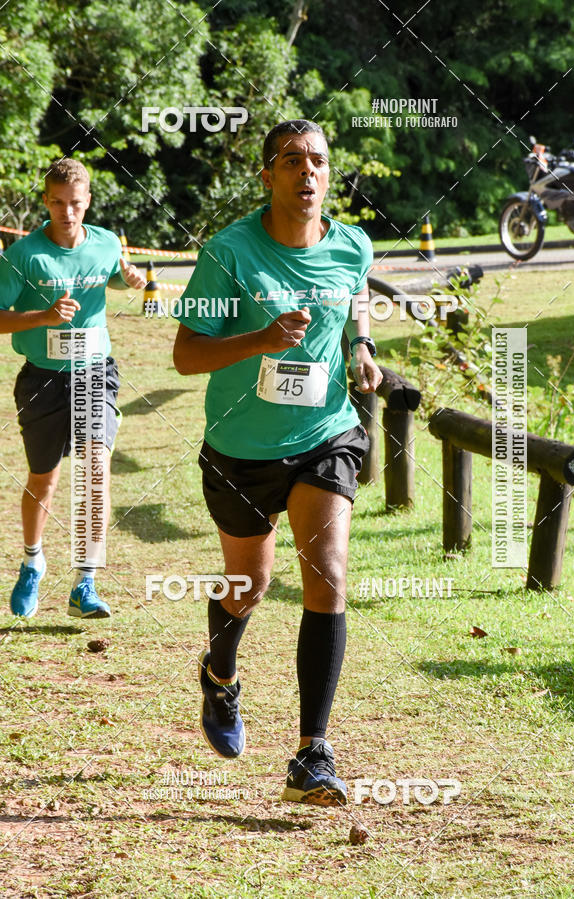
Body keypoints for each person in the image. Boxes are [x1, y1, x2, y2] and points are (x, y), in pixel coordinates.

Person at [172, 119, 382, 806]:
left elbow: (355, 303)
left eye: (317, 160)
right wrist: (261, 336)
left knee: (328, 574)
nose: (307, 172)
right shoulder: (229, 252)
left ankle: (311, 752)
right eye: (291, 160)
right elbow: (185, 354)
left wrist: (361, 350)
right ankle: (220, 672)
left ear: (329, 172)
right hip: (241, 449)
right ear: (268, 175)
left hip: (326, 434)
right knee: (249, 583)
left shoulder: (352, 244)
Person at [0, 158, 145, 619]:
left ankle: (85, 582)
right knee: (44, 479)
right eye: (59, 203)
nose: (68, 213)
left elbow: (115, 273)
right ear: (46, 201)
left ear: (87, 203)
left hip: (93, 371)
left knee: (95, 470)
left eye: (76, 204)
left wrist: (131, 278)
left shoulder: (104, 241)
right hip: (42, 377)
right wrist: (42, 317)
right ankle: (32, 561)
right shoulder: (22, 256)